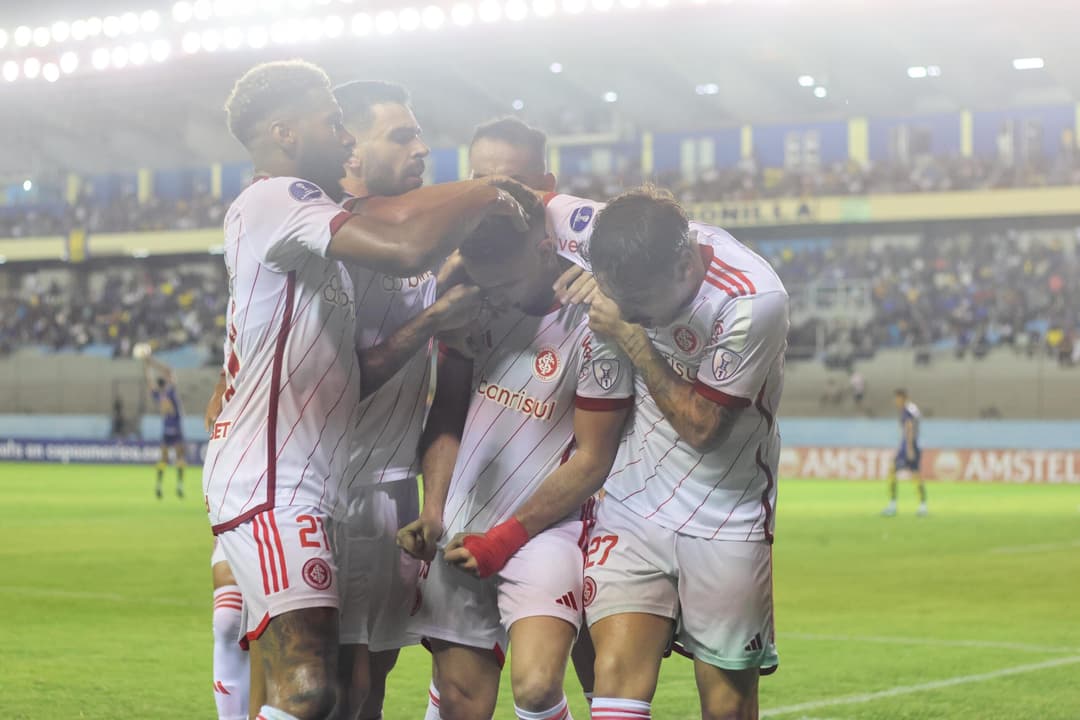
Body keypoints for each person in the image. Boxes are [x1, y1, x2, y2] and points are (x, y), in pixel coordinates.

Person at [202, 59, 527, 720]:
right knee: (308, 685)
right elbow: (404, 248)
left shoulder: (348, 250)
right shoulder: (290, 207)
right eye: (341, 125)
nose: (420, 150)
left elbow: (347, 374)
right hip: (286, 481)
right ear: (288, 132)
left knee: (349, 690)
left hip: (352, 487)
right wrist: (495, 190)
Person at [550, 186, 789, 720]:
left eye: (637, 303)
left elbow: (702, 426)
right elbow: (533, 199)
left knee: (727, 705)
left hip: (726, 515)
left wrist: (632, 337)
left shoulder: (751, 299)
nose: (621, 308)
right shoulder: (607, 235)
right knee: (613, 684)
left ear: (684, 266)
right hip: (631, 506)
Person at [398, 181, 634, 720]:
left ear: (543, 249)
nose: (495, 295)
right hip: (460, 528)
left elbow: (593, 458)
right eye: (486, 283)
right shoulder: (470, 301)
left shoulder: (594, 322)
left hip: (545, 530)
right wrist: (432, 510)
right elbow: (449, 411)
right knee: (460, 702)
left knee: (534, 687)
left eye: (504, 282)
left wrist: (503, 539)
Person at [331, 79, 482, 720]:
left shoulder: (417, 244)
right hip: (328, 488)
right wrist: (433, 318)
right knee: (321, 681)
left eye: (419, 133)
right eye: (401, 136)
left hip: (393, 491)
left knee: (373, 684)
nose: (422, 147)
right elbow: (333, 381)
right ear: (350, 150)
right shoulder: (336, 241)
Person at [468, 116, 600, 706]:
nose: (497, 195)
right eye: (480, 180)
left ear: (546, 184)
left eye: (513, 181)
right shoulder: (453, 274)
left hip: (559, 515)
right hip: (461, 513)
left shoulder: (595, 290)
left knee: (563, 679)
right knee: (455, 695)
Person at [143, 355, 185, 499]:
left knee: (163, 459)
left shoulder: (158, 395)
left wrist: (147, 365)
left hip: (166, 430)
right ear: (165, 383)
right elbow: (169, 371)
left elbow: (149, 383)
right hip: (177, 428)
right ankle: (180, 485)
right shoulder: (171, 392)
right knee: (180, 458)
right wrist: (152, 362)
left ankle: (159, 485)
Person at [882, 388, 927, 517]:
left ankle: (892, 505)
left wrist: (908, 448)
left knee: (893, 470)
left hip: (908, 446)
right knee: (916, 474)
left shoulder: (906, 410)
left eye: (897, 398)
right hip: (914, 444)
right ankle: (922, 506)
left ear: (902, 398)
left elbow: (909, 427)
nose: (895, 401)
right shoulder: (913, 409)